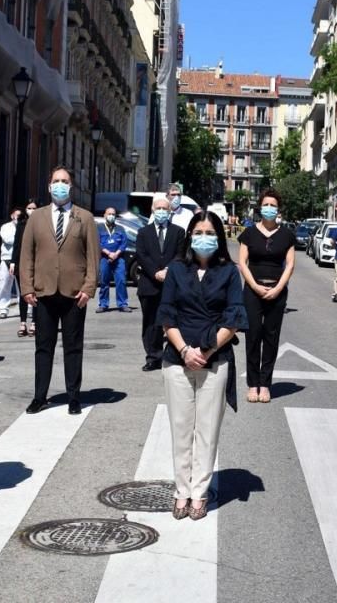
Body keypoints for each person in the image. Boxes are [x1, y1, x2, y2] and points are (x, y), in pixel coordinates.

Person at [159, 211, 247, 520]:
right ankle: (181, 491)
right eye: (198, 231)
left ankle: (200, 492)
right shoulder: (176, 270)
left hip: (215, 359)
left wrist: (206, 352)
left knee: (207, 430)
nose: (204, 237)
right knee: (181, 428)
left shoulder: (228, 272)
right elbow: (166, 314)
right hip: (177, 359)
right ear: (190, 236)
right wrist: (184, 350)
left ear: (219, 237)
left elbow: (235, 316)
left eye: (210, 232)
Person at [19, 166, 99, 416]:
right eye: (56, 181)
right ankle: (40, 396)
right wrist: (27, 287)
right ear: (49, 186)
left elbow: (93, 256)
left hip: (74, 294)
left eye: (65, 181)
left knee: (73, 346)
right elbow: (26, 254)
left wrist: (89, 287)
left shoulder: (84, 217)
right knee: (43, 346)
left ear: (71, 187)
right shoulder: (37, 217)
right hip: (43, 293)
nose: (60, 185)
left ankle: (74, 397)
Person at [237, 190, 297, 403]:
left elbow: (290, 264)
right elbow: (242, 262)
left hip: (277, 291)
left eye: (273, 205)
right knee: (253, 336)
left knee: (271, 338)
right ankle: (253, 384)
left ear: (278, 209)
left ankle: (265, 384)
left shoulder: (287, 235)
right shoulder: (249, 233)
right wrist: (254, 285)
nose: (269, 208)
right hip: (253, 291)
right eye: (266, 204)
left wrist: (278, 288)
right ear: (260, 208)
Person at [137, 195, 185, 371]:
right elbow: (141, 255)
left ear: (170, 210)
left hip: (171, 283)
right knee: (150, 323)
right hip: (149, 284)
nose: (162, 212)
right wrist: (155, 272)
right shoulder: (143, 232)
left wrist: (167, 271)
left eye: (165, 208)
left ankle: (174, 354)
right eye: (159, 208)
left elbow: (180, 255)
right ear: (152, 209)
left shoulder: (178, 232)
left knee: (172, 320)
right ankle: (153, 357)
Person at [10, 200, 37, 337]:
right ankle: (22, 323)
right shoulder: (21, 225)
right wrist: (13, 262)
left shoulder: (41, 224)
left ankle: (34, 323)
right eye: (29, 208)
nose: (31, 210)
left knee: (36, 294)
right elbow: (16, 244)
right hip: (22, 262)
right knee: (23, 294)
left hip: (38, 264)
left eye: (34, 208)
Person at [97, 207, 130, 313]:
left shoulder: (120, 228)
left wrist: (116, 254)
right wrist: (108, 253)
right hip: (104, 258)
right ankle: (103, 304)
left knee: (121, 281)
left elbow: (124, 243)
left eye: (113, 214)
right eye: (109, 214)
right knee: (104, 282)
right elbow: (97, 243)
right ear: (105, 215)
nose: (111, 216)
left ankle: (123, 304)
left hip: (118, 258)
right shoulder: (99, 227)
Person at [0, 208, 20, 318]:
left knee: (22, 286)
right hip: (7, 258)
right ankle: (3, 308)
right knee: (4, 284)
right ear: (12, 216)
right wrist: (20, 238)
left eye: (20, 216)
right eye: (16, 215)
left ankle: (26, 307)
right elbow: (7, 239)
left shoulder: (26, 226)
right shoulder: (6, 227)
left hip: (20, 259)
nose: (18, 218)